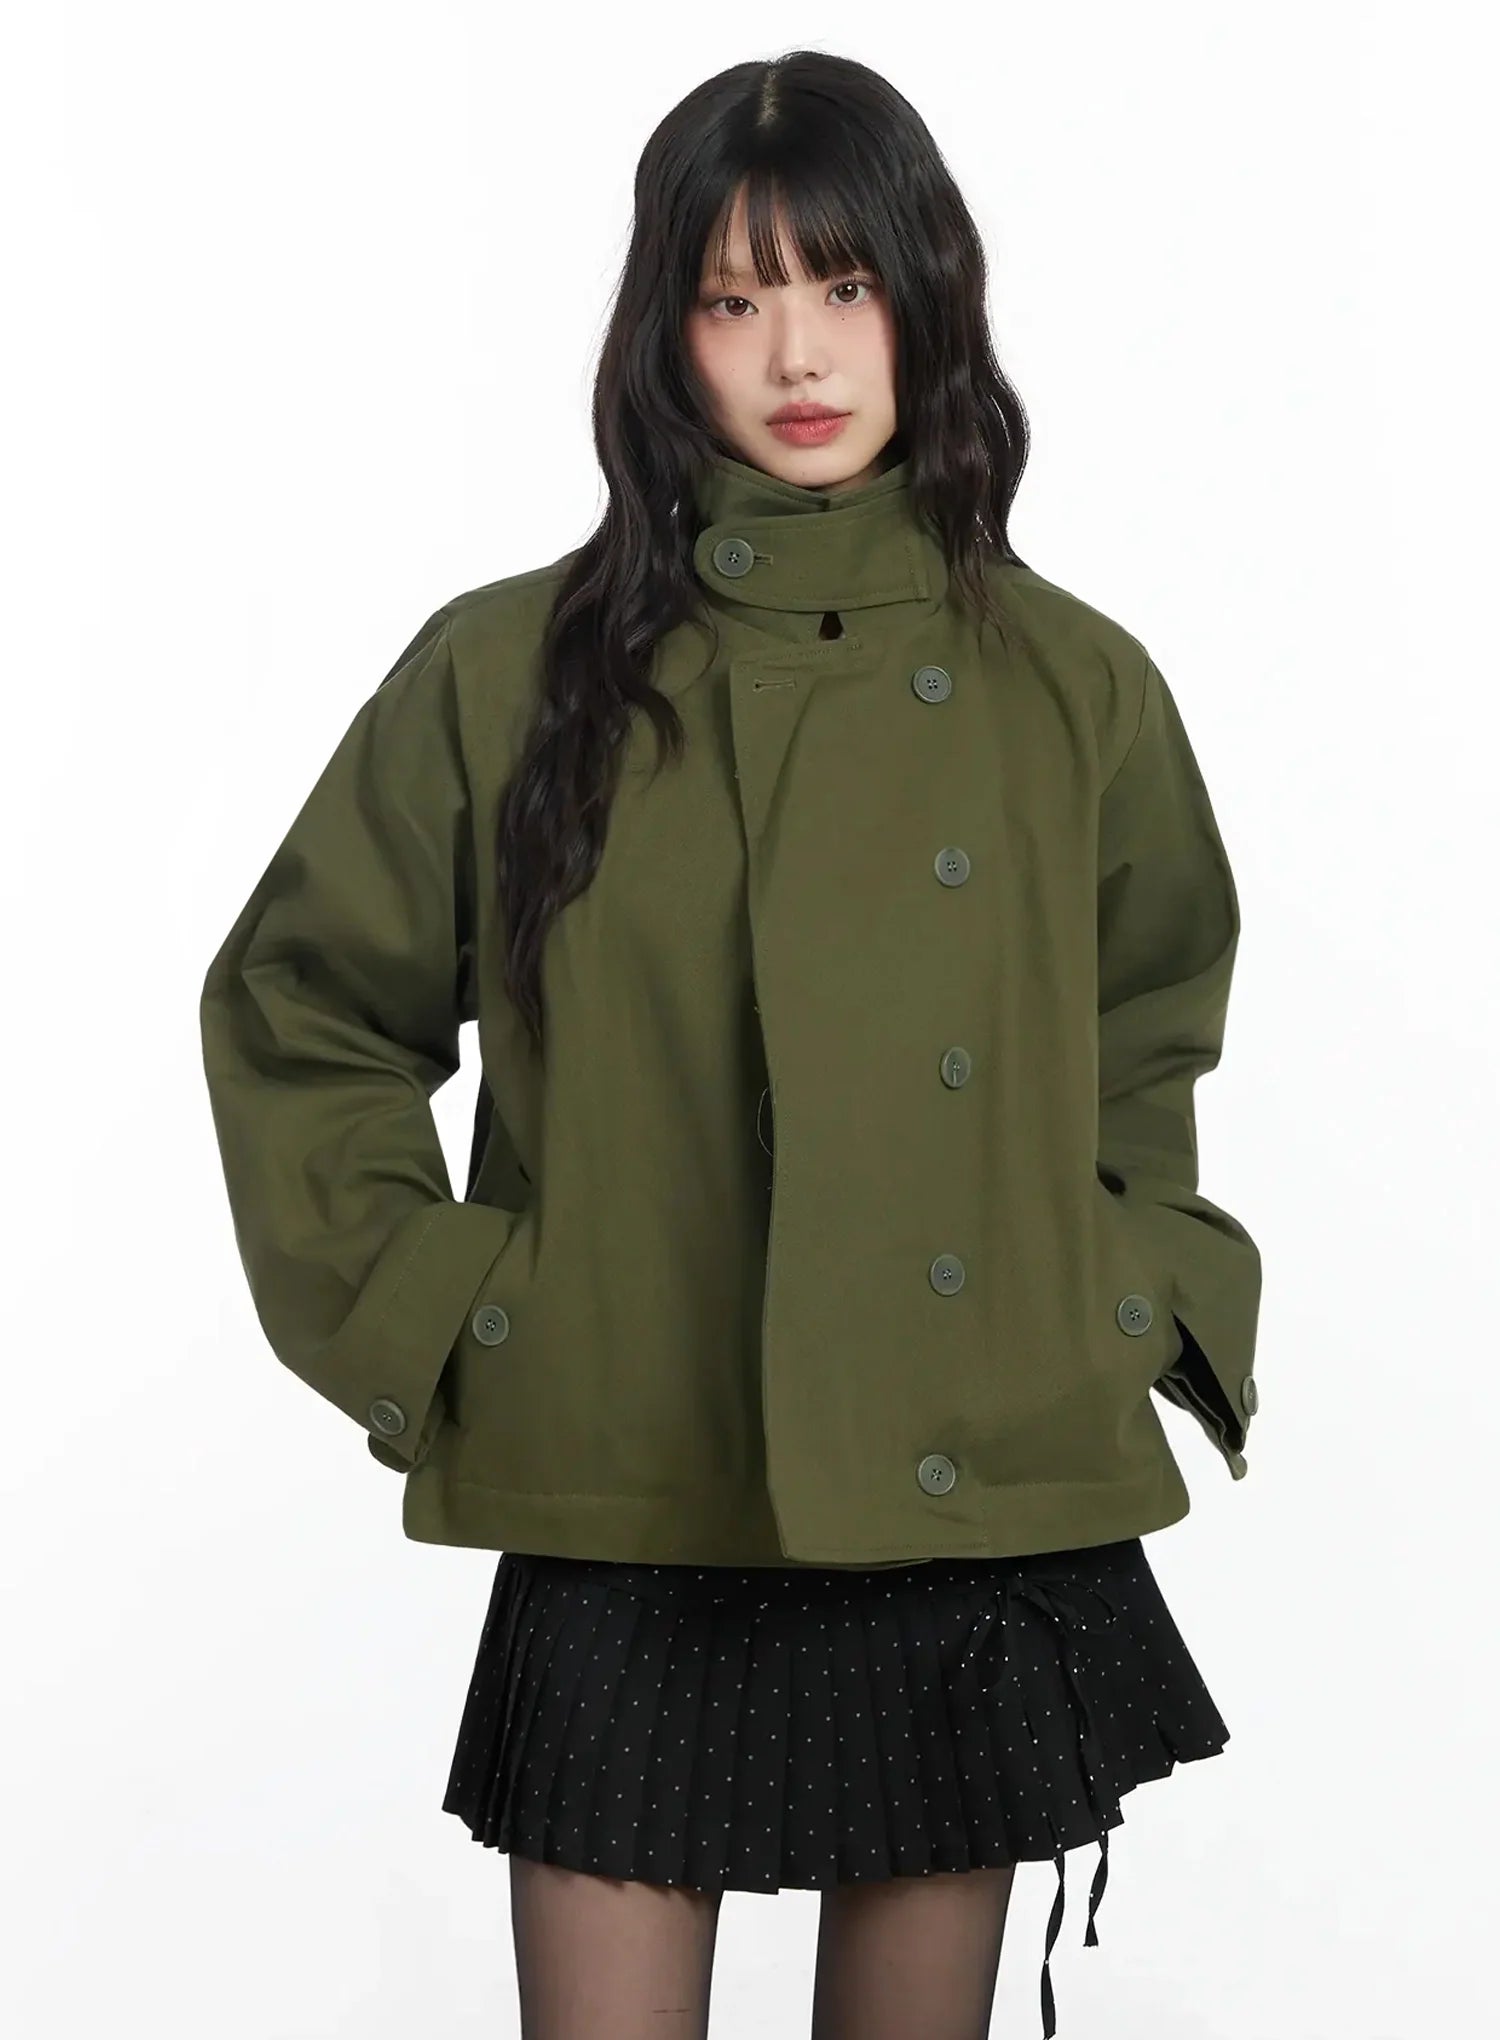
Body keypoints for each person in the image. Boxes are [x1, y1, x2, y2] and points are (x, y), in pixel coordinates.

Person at [198, 47, 1262, 2040]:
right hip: (626, 1475)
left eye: (845, 285)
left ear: (927, 301)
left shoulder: (1073, 686)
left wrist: (1135, 1295)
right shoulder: (509, 670)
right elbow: (301, 1010)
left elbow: (1147, 1037)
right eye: (734, 295)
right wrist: (454, 1312)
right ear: (663, 332)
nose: (798, 352)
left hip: (959, 1481)